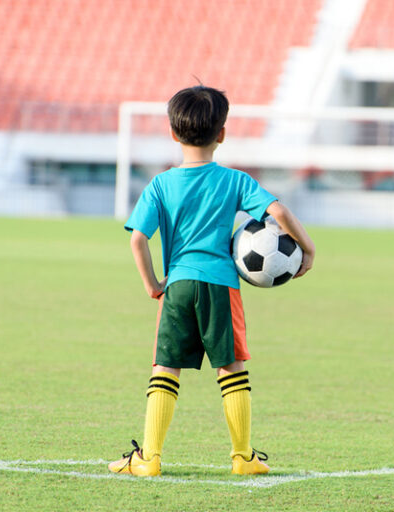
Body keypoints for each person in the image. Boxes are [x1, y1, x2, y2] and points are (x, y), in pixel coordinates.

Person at [108, 86, 315, 477]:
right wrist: (308, 248)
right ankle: (243, 458)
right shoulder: (234, 181)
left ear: (173, 133)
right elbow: (279, 212)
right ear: (222, 134)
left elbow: (137, 238)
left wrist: (152, 283)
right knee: (232, 368)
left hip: (178, 284)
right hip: (221, 284)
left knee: (165, 367)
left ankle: (149, 458)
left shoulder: (160, 185)